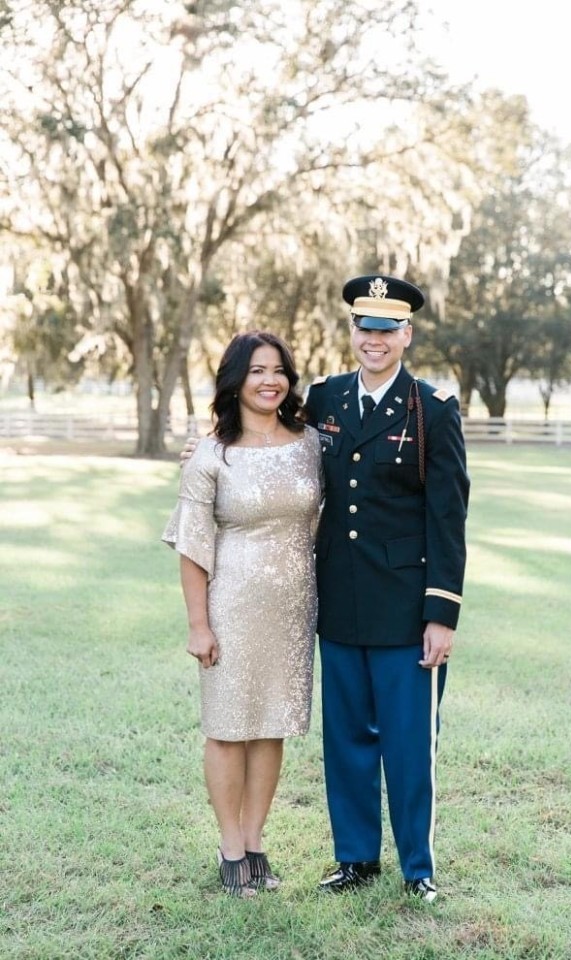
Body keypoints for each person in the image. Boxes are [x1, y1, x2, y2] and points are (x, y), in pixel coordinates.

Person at [181, 274, 469, 902]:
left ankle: (417, 868)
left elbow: (447, 517)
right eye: (365, 328)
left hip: (405, 605)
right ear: (353, 332)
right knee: (346, 745)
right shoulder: (326, 401)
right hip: (336, 603)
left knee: (409, 745)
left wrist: (441, 613)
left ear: (406, 335)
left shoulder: (434, 408)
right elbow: (265, 443)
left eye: (388, 329)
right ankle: (356, 858)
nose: (375, 339)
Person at [163, 330, 322, 898]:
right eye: (256, 370)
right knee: (229, 730)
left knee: (271, 725)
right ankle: (230, 848)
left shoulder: (309, 443)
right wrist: (198, 623)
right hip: (230, 605)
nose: (269, 380)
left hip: (294, 607)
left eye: (278, 369)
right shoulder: (210, 454)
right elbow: (191, 544)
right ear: (236, 380)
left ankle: (256, 843)